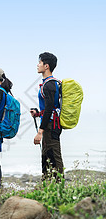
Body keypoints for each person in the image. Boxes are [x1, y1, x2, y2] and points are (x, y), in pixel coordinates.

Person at [30, 52, 64, 180]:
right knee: (47, 155)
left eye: (40, 62)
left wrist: (40, 131)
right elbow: (49, 107)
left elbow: (50, 108)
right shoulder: (49, 83)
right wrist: (38, 113)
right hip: (50, 123)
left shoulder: (49, 84)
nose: (37, 65)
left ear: (46, 66)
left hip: (51, 126)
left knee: (54, 155)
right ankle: (47, 184)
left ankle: (59, 186)